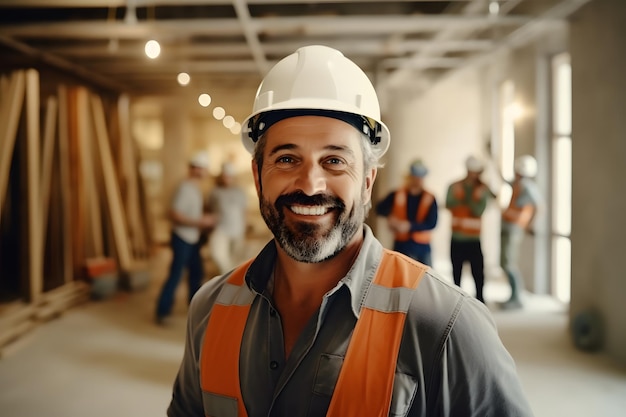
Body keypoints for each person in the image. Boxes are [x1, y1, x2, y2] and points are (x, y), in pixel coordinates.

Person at [167, 45, 533, 417]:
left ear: (368, 182)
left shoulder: (447, 326)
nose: (310, 185)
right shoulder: (211, 309)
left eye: (334, 160)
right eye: (287, 159)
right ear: (258, 179)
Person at [155, 151, 215, 325]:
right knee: (176, 274)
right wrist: (200, 222)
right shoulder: (185, 188)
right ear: (196, 169)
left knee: (197, 273)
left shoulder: (194, 187)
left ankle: (195, 309)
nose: (204, 172)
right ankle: (162, 311)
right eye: (202, 169)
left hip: (192, 238)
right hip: (182, 238)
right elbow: (174, 214)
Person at [445, 155, 494, 303]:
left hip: (473, 239)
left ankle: (480, 299)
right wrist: (467, 200)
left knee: (478, 273)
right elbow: (449, 204)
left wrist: (466, 200)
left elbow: (478, 210)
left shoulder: (482, 189)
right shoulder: (454, 186)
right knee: (456, 272)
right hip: (457, 237)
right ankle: (456, 301)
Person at [499, 154, 542, 310]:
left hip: (514, 229)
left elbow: (539, 206)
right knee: (505, 263)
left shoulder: (528, 187)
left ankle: (517, 298)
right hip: (508, 227)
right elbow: (505, 180)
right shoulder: (518, 185)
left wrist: (531, 225)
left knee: (509, 263)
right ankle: (514, 296)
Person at [375, 159, 438, 266]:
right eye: (415, 176)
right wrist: (390, 217)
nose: (417, 180)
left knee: (425, 280)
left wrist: (409, 226)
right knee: (400, 279)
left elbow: (432, 223)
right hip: (401, 246)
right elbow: (379, 209)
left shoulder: (430, 198)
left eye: (420, 177)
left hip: (422, 248)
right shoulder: (397, 194)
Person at [207, 161, 248, 274]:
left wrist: (243, 229)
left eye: (229, 177)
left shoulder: (240, 192)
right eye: (225, 177)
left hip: (237, 229)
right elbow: (209, 208)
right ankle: (227, 275)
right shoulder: (215, 192)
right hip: (221, 229)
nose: (227, 179)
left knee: (236, 259)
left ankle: (231, 280)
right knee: (218, 255)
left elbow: (243, 211)